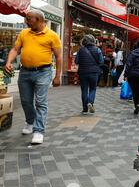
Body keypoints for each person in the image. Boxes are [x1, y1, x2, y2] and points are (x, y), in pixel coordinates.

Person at [5, 10, 62, 145]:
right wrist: (8, 62)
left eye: (29, 19)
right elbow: (15, 49)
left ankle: (38, 131)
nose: (26, 21)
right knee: (25, 101)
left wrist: (57, 76)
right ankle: (30, 122)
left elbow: (59, 56)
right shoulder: (24, 33)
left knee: (40, 102)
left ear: (40, 20)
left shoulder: (52, 35)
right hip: (24, 72)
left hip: (43, 72)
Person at [75, 34, 104, 115]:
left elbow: (76, 61)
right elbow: (101, 62)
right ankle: (90, 102)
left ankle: (85, 108)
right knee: (93, 88)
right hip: (94, 73)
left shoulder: (81, 50)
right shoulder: (97, 50)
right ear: (93, 41)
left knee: (84, 90)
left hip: (83, 72)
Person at [124, 40, 139, 115]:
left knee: (135, 91)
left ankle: (136, 105)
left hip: (132, 76)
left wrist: (126, 74)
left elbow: (128, 64)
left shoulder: (132, 53)